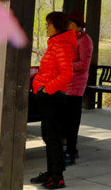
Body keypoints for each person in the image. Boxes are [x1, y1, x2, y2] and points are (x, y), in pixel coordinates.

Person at [30, 12, 76, 190]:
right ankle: (51, 173)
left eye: (48, 24)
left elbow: (67, 74)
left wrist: (46, 89)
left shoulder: (62, 45)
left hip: (53, 97)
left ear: (57, 25)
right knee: (48, 136)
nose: (46, 27)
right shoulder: (55, 44)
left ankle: (57, 177)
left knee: (53, 138)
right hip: (47, 96)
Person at [64, 11, 93, 166]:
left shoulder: (85, 41)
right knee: (66, 119)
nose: (68, 25)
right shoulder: (71, 38)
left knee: (72, 120)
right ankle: (69, 149)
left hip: (76, 85)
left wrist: (66, 65)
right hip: (65, 83)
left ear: (77, 25)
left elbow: (83, 64)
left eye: (70, 23)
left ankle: (71, 151)